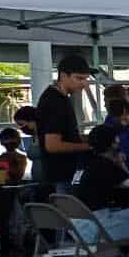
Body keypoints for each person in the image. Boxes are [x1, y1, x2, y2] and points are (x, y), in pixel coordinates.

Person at [70, 125, 129, 257]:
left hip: (76, 228)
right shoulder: (104, 165)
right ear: (114, 143)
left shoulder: (84, 162)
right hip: (95, 229)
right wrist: (120, 163)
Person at [36, 55, 93, 191]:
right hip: (62, 176)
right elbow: (53, 145)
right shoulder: (55, 101)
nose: (84, 84)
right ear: (63, 76)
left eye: (86, 79)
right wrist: (89, 146)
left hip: (63, 175)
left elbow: (66, 135)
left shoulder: (59, 98)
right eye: (79, 78)